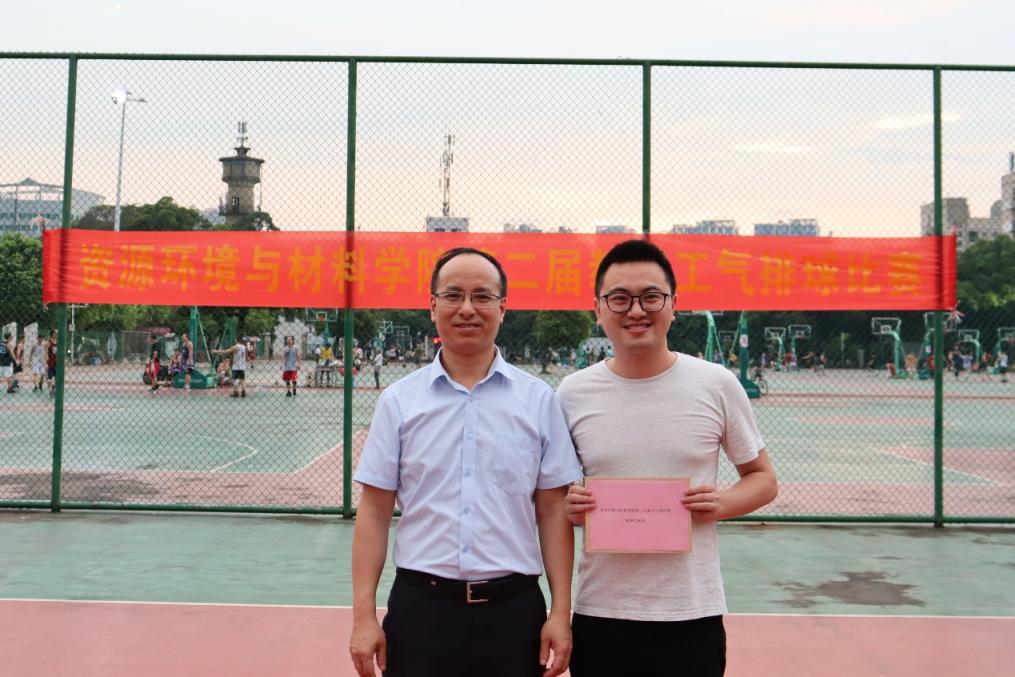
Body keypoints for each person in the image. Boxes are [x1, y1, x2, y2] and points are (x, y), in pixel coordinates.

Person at [349, 247, 581, 677]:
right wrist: (363, 616)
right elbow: (375, 510)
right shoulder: (399, 402)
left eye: (483, 296)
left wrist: (560, 612)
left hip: (514, 615)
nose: (468, 309)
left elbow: (553, 510)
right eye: (453, 295)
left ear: (503, 308)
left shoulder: (538, 401)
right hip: (421, 612)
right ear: (432, 305)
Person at [558, 239, 778, 677]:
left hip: (691, 612)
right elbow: (556, 494)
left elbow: (763, 478)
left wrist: (722, 503)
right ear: (598, 309)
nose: (636, 310)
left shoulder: (715, 384)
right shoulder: (572, 393)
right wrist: (570, 504)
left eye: (651, 297)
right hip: (601, 612)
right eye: (619, 298)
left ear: (673, 305)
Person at [45, 329, 57, 397]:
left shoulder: (58, 342)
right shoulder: (48, 343)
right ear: (52, 334)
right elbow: (46, 353)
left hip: (57, 362)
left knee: (57, 378)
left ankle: (53, 388)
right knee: (49, 378)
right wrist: (46, 363)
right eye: (55, 333)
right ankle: (50, 391)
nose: (56, 334)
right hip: (50, 362)